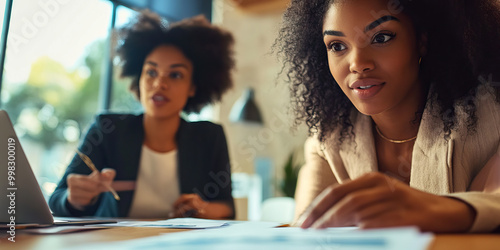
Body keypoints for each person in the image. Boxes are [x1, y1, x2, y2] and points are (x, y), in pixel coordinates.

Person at [275, 0, 500, 232]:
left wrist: (437, 210)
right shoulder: (328, 141)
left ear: (421, 40)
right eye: (337, 46)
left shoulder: (492, 117)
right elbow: (305, 234)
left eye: (381, 38)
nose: (358, 64)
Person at [49, 12, 236, 219]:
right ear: (139, 78)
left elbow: (227, 207)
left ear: (193, 87)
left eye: (175, 75)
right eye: (151, 72)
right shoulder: (108, 129)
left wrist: (202, 208)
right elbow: (57, 198)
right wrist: (75, 199)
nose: (159, 84)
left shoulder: (210, 137)